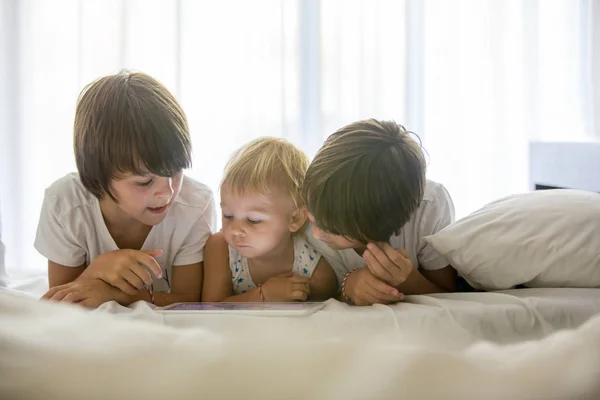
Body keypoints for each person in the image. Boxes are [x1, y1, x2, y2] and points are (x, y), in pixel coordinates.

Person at [36, 71, 216, 308]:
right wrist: (98, 269)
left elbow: (189, 301)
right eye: (144, 182)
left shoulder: (195, 205)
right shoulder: (65, 204)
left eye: (175, 172)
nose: (167, 192)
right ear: (99, 178)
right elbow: (62, 300)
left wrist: (114, 293)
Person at [303, 119, 457, 306]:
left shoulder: (430, 207)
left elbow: (452, 297)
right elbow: (315, 301)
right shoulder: (317, 201)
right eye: (312, 215)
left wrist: (408, 280)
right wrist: (349, 287)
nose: (316, 233)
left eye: (330, 228)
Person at [202, 137, 338, 302]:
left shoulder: (315, 273)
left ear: (295, 219)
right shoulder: (221, 248)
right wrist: (263, 296)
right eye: (228, 216)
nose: (235, 229)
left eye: (253, 220)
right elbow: (210, 311)